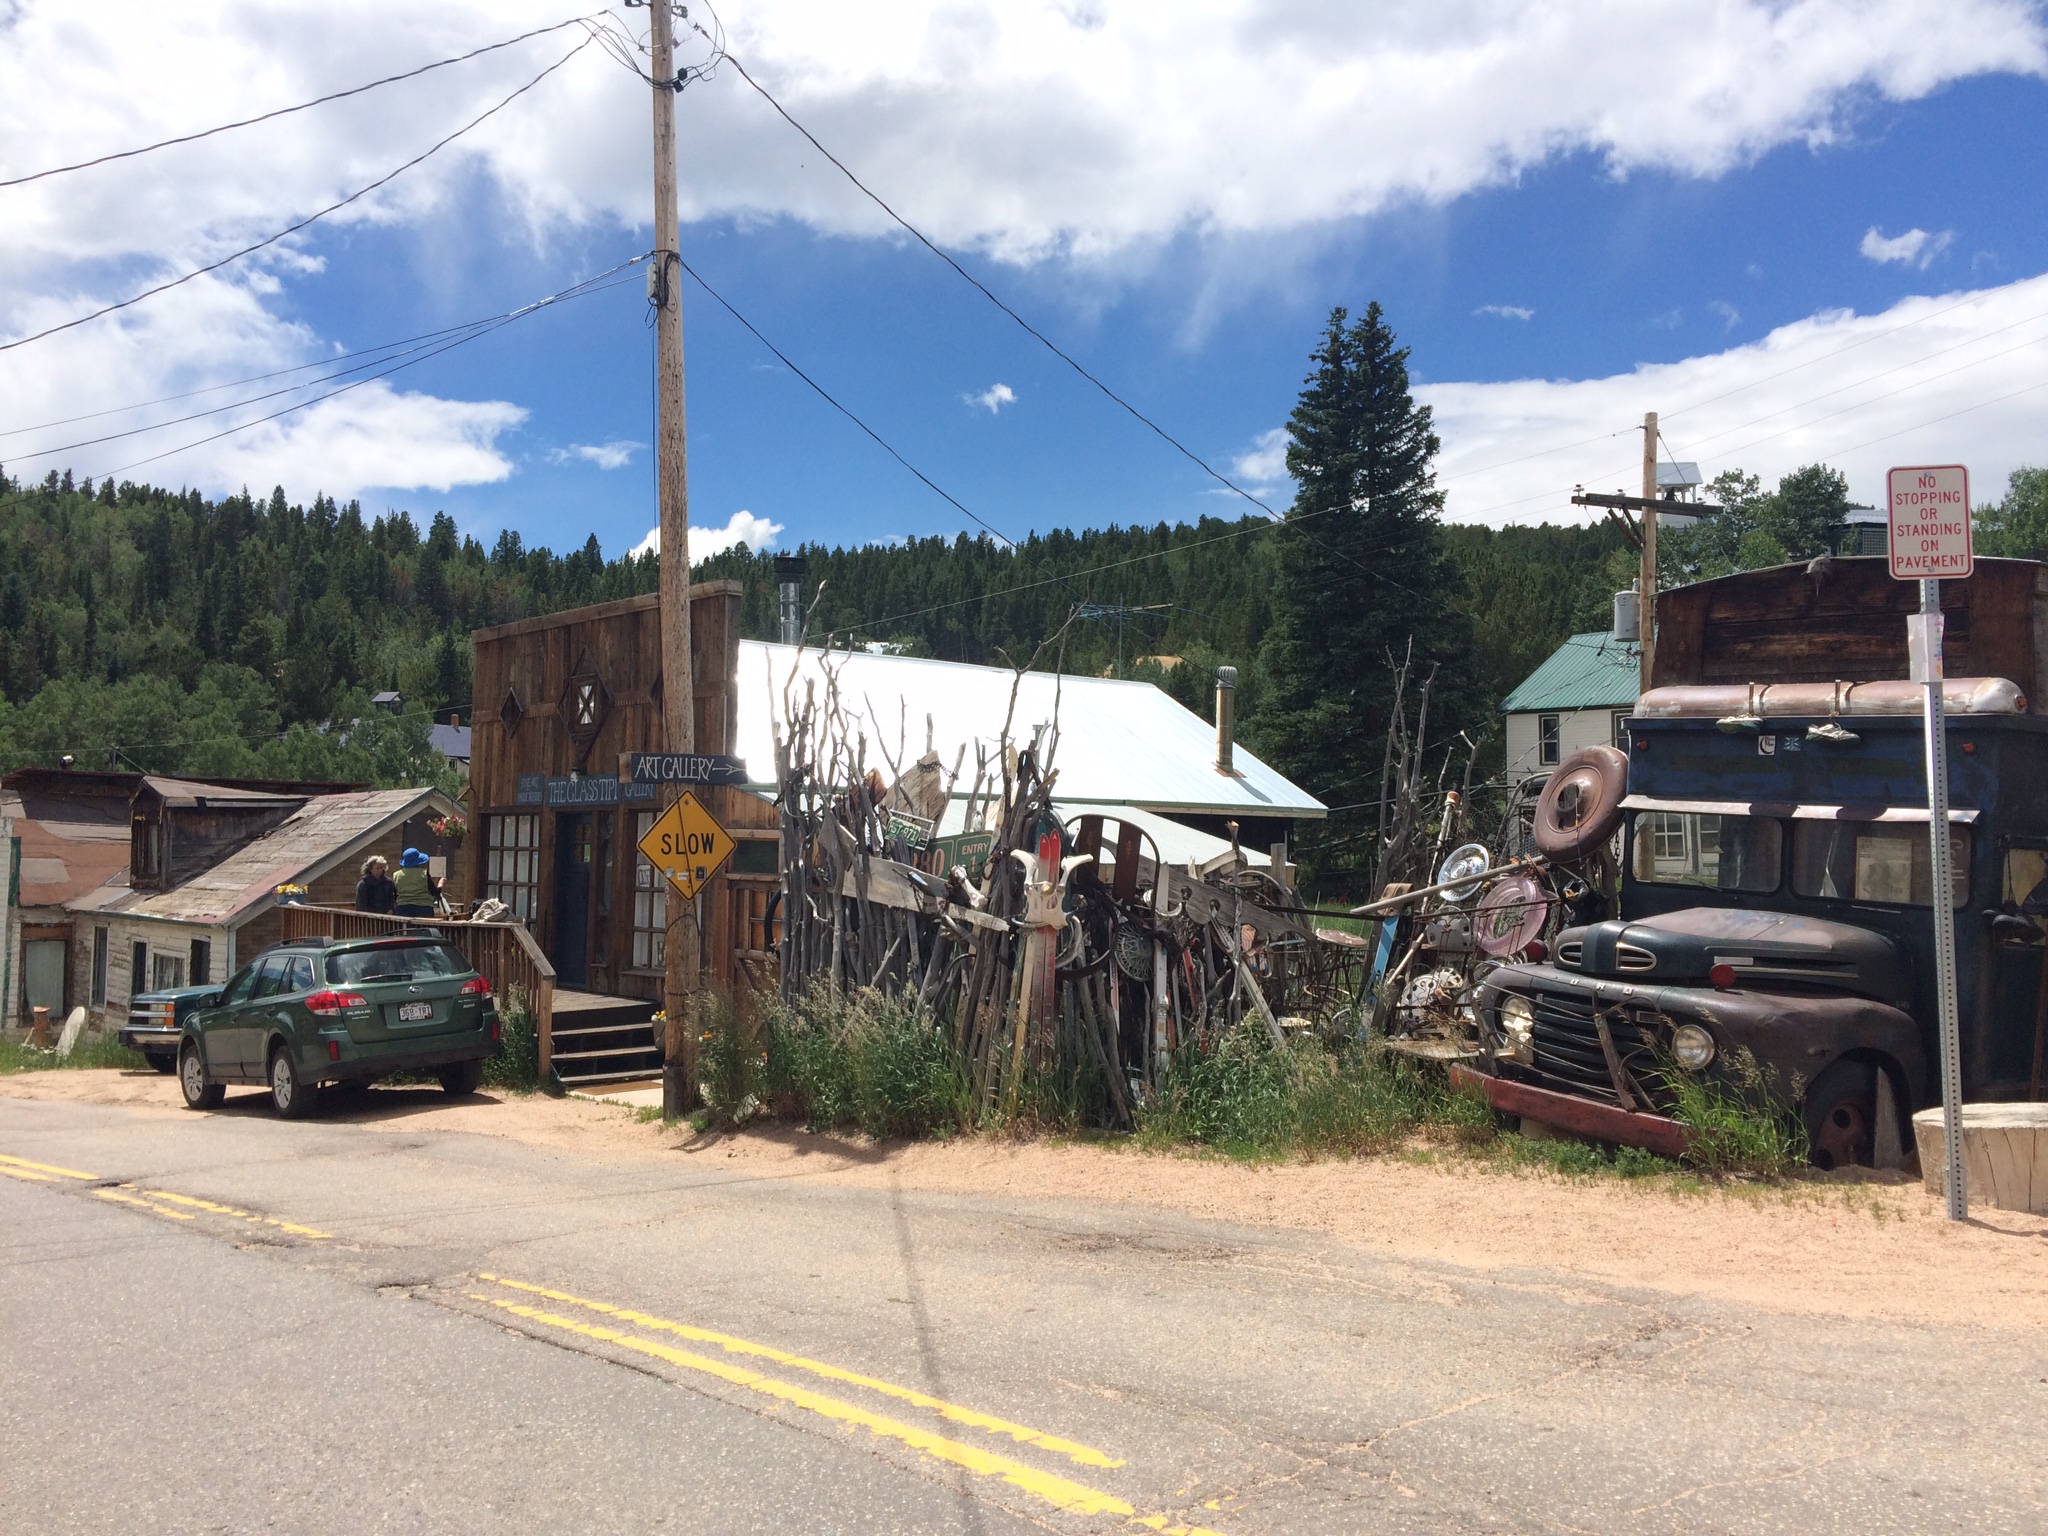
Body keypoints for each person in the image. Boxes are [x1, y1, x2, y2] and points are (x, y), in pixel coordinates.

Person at [392, 847, 443, 917]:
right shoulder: (424, 873)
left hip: (402, 909)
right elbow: (434, 892)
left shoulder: (396, 875)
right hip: (423, 908)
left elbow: (395, 894)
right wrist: (441, 883)